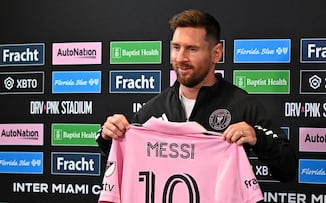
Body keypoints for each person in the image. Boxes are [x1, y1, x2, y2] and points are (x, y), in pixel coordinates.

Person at [96, 9, 297, 183]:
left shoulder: (241, 104)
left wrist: (257, 138)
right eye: (176, 47)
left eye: (192, 49)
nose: (181, 58)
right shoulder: (152, 109)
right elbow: (124, 170)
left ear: (216, 53)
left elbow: (288, 170)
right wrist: (110, 140)